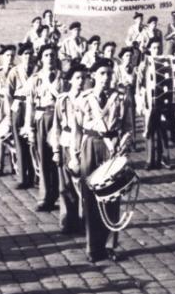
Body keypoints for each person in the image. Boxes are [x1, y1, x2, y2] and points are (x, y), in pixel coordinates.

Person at [77, 58, 133, 263]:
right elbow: (76, 128)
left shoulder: (121, 97)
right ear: (93, 76)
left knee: (112, 195)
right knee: (91, 196)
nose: (107, 77)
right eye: (102, 73)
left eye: (109, 73)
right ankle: (93, 246)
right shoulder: (83, 98)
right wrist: (75, 155)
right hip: (91, 144)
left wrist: (124, 146)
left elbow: (128, 126)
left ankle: (110, 244)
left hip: (113, 148)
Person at [23, 44, 63, 213]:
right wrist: (29, 128)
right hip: (42, 119)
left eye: (52, 55)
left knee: (60, 159)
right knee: (44, 159)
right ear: (40, 59)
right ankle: (45, 196)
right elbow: (30, 106)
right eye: (46, 55)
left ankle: (62, 193)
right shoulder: (35, 79)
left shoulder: (64, 78)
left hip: (59, 119)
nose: (50, 58)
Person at [51, 62, 87, 235]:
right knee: (65, 187)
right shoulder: (62, 100)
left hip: (83, 146)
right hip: (66, 143)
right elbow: (56, 127)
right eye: (77, 78)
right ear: (70, 80)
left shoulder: (88, 99)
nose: (81, 81)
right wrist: (56, 150)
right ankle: (67, 221)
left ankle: (85, 220)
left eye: (83, 78)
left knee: (84, 185)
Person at [137, 37, 172, 170]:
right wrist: (141, 101)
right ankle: (150, 159)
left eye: (158, 48)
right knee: (150, 130)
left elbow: (171, 82)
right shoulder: (144, 64)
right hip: (149, 102)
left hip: (162, 101)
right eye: (154, 48)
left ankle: (164, 157)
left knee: (162, 130)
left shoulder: (166, 63)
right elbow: (139, 85)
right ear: (149, 50)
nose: (156, 50)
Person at [7, 42, 35, 189]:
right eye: (25, 54)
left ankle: (35, 175)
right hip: (19, 106)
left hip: (33, 107)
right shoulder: (15, 72)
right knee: (20, 143)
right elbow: (9, 94)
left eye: (31, 53)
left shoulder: (37, 71)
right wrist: (11, 112)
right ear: (20, 56)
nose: (28, 57)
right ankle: (23, 177)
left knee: (33, 142)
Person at [0, 45, 16, 177]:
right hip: (0, 105)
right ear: (2, 57)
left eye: (12, 55)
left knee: (13, 134)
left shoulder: (17, 71)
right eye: (7, 55)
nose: (10, 58)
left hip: (13, 105)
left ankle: (14, 165)